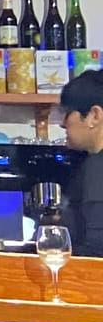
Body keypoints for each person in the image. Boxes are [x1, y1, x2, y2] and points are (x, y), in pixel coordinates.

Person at [60, 69, 103, 256]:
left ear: (94, 116)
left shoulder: (97, 168)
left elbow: (97, 250)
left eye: (67, 113)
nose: (62, 124)